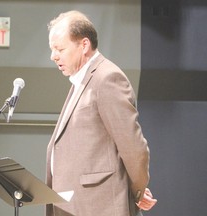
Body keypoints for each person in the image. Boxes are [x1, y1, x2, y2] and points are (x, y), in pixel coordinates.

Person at [45, 10, 157, 216]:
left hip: (100, 206)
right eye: (52, 49)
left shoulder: (107, 78)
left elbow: (133, 146)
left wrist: (137, 191)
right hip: (76, 206)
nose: (53, 56)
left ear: (84, 45)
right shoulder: (81, 81)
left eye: (59, 48)